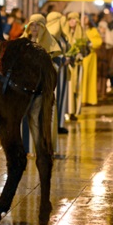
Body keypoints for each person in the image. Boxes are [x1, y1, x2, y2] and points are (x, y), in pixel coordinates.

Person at [20, 13, 63, 153]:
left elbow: (57, 63)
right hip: (25, 88)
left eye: (37, 25)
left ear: (43, 27)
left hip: (42, 88)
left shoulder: (51, 44)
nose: (34, 28)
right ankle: (26, 148)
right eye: (31, 24)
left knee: (42, 116)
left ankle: (42, 148)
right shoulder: (23, 41)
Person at [46, 11, 71, 134]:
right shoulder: (49, 36)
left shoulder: (61, 37)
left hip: (63, 72)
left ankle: (60, 123)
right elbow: (49, 53)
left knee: (62, 97)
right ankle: (53, 124)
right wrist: (61, 59)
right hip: (55, 71)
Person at [81, 14, 103, 106]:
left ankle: (89, 99)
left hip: (90, 56)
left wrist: (89, 43)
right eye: (83, 17)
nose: (84, 19)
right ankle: (81, 99)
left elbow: (99, 41)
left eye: (86, 17)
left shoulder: (93, 30)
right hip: (81, 56)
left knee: (89, 77)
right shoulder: (80, 30)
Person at [96, 20, 113, 102]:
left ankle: (103, 92)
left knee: (104, 77)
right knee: (97, 76)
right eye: (100, 27)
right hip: (98, 61)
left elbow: (111, 49)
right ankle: (97, 91)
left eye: (103, 28)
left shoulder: (108, 39)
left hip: (105, 61)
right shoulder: (97, 37)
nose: (102, 29)